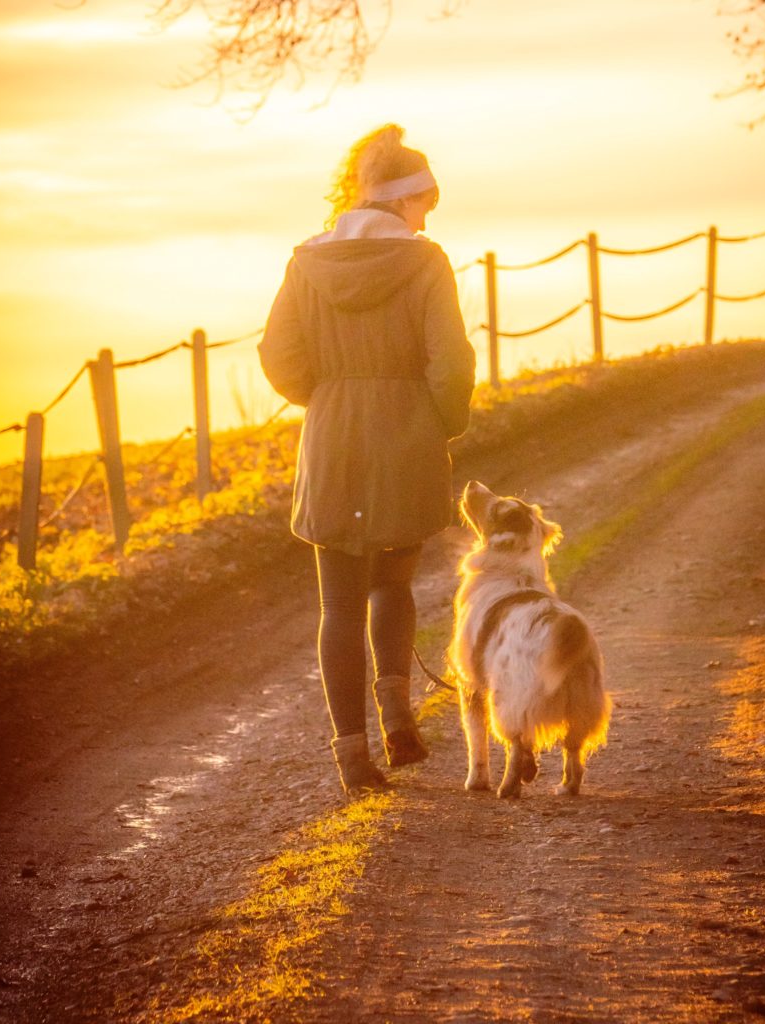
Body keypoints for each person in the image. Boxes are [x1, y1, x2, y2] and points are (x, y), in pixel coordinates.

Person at [258, 124, 476, 797]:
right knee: (392, 585)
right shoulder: (425, 261)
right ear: (408, 200)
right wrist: (440, 423)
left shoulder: (305, 261)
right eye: (425, 206)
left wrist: (325, 398)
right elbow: (452, 361)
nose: (425, 220)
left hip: (332, 439)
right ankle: (396, 713)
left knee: (339, 604)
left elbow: (278, 355)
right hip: (404, 438)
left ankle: (352, 753)